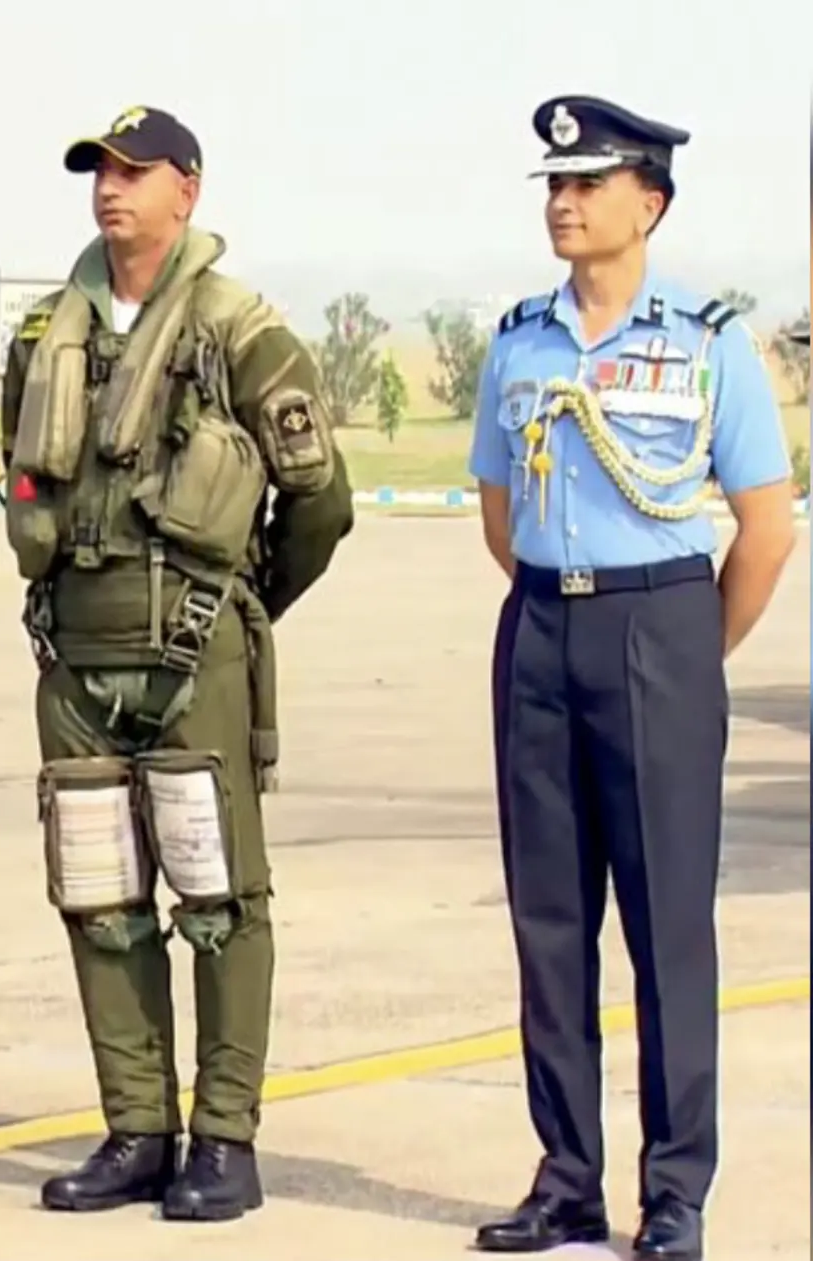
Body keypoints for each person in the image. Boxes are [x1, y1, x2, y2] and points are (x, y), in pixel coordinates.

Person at [0, 106, 353, 1222]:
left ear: (187, 192)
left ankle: (226, 1137)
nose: (112, 190)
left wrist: (241, 612)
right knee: (100, 897)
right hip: (78, 655)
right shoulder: (45, 333)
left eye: (136, 173)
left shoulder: (239, 330)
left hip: (197, 652)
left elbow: (320, 503)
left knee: (216, 898)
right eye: (100, 173)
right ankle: (136, 1128)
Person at [467, 96, 797, 1261]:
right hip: (545, 629)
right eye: (554, 185)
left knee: (666, 931)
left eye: (589, 184)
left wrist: (694, 650)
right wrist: (568, 602)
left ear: (647, 202)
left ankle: (674, 1193)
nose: (564, 202)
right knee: (550, 925)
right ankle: (565, 1178)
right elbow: (501, 516)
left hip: (663, 628)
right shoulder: (518, 340)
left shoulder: (709, 344)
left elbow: (764, 525)